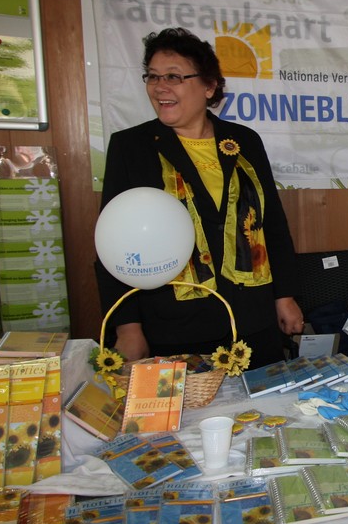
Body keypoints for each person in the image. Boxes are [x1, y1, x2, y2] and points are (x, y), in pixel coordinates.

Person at [96, 27, 304, 368]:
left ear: (209, 86)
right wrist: (127, 326)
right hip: (174, 325)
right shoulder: (131, 147)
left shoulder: (245, 141)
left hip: (252, 319)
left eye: (174, 76)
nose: (160, 86)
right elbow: (113, 241)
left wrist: (284, 296)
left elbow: (272, 225)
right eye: (153, 76)